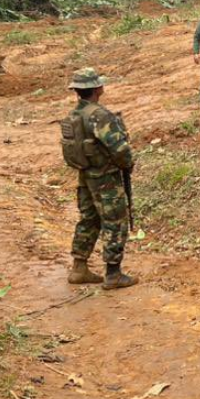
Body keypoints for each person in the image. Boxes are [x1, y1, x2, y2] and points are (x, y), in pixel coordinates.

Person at [61, 68, 138, 290]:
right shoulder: (100, 116)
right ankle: (113, 273)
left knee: (89, 219)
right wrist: (128, 163)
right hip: (105, 178)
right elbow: (119, 148)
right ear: (98, 89)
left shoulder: (74, 115)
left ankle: (79, 267)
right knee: (115, 221)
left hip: (85, 176)